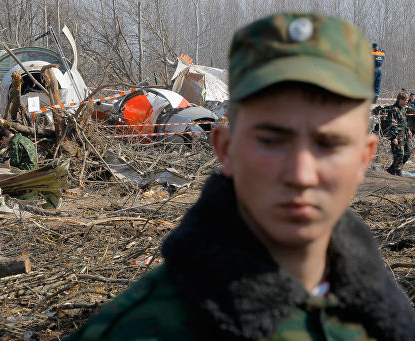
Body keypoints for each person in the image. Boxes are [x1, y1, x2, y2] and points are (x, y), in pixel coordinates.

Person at [69, 13, 415, 341]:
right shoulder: (138, 329)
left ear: (363, 158)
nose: (300, 173)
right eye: (271, 140)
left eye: (330, 143)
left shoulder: (385, 321)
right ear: (226, 149)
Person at [386, 91, 412, 176]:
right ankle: (397, 170)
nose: (407, 102)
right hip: (397, 135)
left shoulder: (403, 108)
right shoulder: (393, 109)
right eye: (405, 100)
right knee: (399, 153)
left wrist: (408, 129)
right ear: (400, 100)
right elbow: (392, 124)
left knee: (408, 152)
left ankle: (392, 168)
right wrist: (394, 137)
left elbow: (404, 121)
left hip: (405, 134)